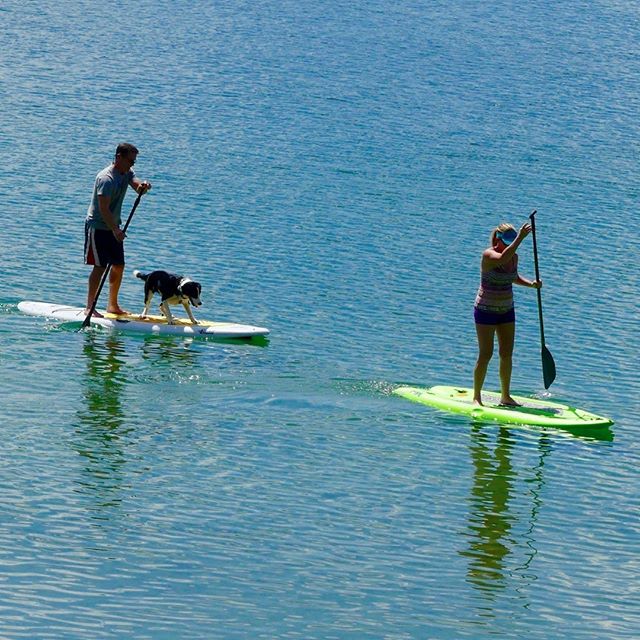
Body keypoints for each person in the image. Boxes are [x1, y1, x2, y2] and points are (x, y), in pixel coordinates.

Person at [473, 221, 541, 406]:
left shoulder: (514, 257)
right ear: (498, 238)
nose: (511, 242)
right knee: (485, 354)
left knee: (507, 354)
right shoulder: (488, 255)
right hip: (485, 310)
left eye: (513, 237)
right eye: (508, 238)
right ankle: (477, 398)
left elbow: (514, 277)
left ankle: (505, 396)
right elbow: (502, 258)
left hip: (506, 310)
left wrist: (531, 284)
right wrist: (520, 238)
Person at [84, 143, 151, 316]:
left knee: (119, 265)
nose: (132, 164)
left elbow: (136, 185)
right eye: (130, 160)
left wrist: (142, 187)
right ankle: (89, 307)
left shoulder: (126, 172)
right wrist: (115, 230)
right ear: (119, 157)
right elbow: (104, 209)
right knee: (99, 267)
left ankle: (112, 306)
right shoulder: (106, 179)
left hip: (114, 228)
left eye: (134, 161)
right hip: (98, 227)